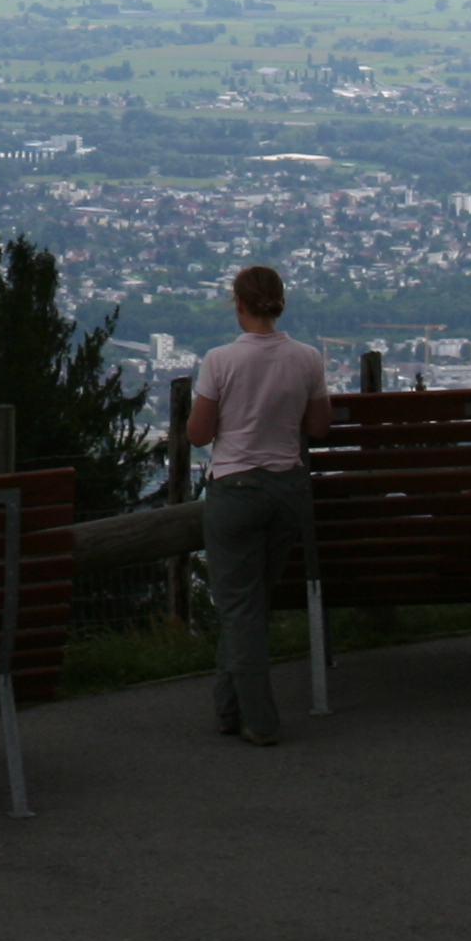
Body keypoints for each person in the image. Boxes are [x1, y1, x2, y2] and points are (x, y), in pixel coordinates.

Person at [185, 264, 331, 746]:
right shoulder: (308, 358)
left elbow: (199, 433)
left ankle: (260, 719)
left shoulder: (221, 360)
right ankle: (227, 710)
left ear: (239, 304)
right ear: (280, 302)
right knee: (250, 604)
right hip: (287, 490)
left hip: (236, 490)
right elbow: (318, 427)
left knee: (240, 607)